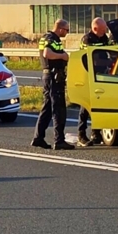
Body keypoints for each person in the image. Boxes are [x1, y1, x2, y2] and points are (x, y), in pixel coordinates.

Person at [31, 19, 74, 151]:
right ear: (60, 28)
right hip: (54, 77)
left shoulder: (46, 37)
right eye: (67, 30)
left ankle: (38, 138)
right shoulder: (52, 38)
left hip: (49, 76)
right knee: (58, 108)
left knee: (47, 108)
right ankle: (59, 140)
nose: (67, 33)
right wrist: (62, 56)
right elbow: (47, 53)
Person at [77, 17, 110, 147]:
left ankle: (96, 133)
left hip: (101, 75)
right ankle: (81, 134)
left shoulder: (103, 38)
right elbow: (93, 60)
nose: (105, 32)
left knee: (99, 104)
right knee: (86, 105)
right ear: (95, 29)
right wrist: (109, 62)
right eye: (103, 30)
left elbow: (109, 51)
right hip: (88, 74)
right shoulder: (87, 39)